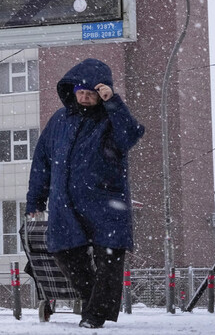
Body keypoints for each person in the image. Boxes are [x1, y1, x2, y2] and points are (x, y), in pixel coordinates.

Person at [26, 58, 144, 329]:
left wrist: (113, 102)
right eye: (81, 90)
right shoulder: (59, 120)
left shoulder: (111, 118)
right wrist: (35, 198)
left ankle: (94, 315)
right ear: (72, 89)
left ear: (103, 92)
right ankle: (96, 304)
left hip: (106, 203)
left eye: (92, 92)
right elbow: (42, 160)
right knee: (64, 252)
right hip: (65, 204)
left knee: (110, 260)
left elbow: (130, 136)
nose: (85, 96)